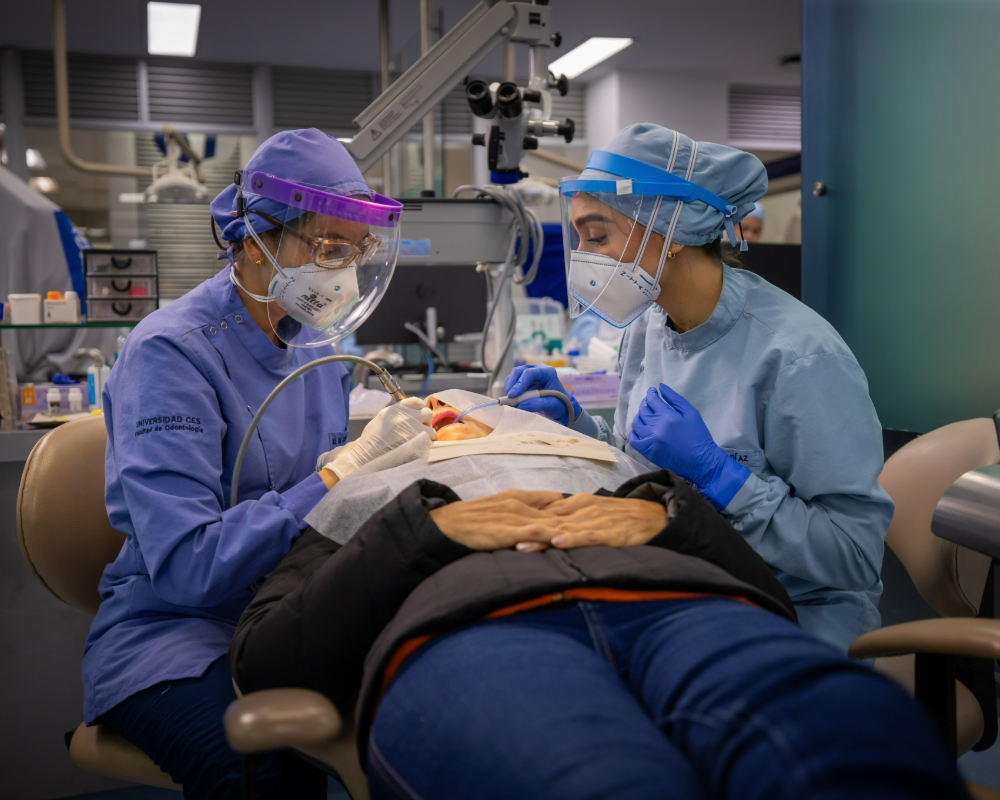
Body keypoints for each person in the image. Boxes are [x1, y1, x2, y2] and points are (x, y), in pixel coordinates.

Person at [228, 392, 966, 800]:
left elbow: (766, 591)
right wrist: (419, 530)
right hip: (472, 627)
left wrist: (672, 515)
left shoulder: (607, 465)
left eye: (461, 405)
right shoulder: (368, 497)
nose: (440, 411)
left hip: (687, 605)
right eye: (426, 415)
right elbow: (268, 658)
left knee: (858, 740)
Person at [80, 128, 434, 799]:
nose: (341, 269)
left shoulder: (310, 344)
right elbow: (187, 566)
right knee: (271, 773)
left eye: (354, 250)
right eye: (326, 247)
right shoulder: (171, 352)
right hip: (175, 636)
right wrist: (336, 475)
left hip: (290, 611)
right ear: (250, 242)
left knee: (424, 708)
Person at [504, 123, 892, 652]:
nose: (585, 256)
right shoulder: (650, 324)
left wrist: (722, 475)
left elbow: (853, 553)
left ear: (669, 230)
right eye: (580, 239)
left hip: (794, 614)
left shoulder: (797, 355)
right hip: (694, 585)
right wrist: (578, 425)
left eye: (597, 236)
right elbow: (642, 463)